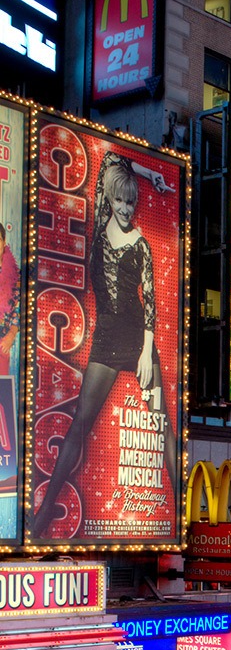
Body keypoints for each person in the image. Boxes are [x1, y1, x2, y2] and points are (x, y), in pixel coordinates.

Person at [32, 153, 178, 534]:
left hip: (138, 340)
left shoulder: (141, 244)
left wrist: (148, 351)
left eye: (132, 201)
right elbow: (111, 159)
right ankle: (43, 517)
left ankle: (180, 517)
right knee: (80, 423)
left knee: (163, 427)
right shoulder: (99, 228)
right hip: (107, 339)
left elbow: (151, 304)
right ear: (110, 200)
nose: (127, 208)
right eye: (121, 200)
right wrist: (149, 174)